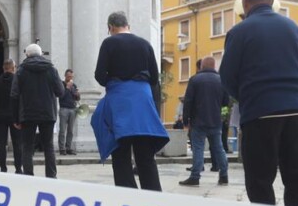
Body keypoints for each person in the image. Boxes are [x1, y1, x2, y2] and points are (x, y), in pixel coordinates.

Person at [219, 0, 298, 206]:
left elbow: (228, 75)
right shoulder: (295, 29)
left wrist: (247, 97)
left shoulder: (239, 32)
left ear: (244, 2)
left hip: (261, 112)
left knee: (260, 180)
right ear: (272, 1)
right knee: (297, 179)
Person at [91, 11, 168, 191]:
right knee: (146, 156)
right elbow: (155, 77)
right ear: (128, 26)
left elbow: (99, 75)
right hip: (143, 101)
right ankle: (154, 195)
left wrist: (114, 81)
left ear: (110, 27)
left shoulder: (109, 43)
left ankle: (128, 195)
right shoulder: (145, 44)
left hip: (120, 102)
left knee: (121, 154)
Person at [11, 44, 65, 178]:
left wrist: (15, 118)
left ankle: (28, 176)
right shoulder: (51, 69)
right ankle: (51, 177)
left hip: (28, 113)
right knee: (48, 146)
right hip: (48, 113)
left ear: (27, 55)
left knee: (27, 146)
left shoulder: (21, 70)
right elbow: (60, 91)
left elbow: (14, 94)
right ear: (41, 54)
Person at [179, 56, 230, 187]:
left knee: (198, 149)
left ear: (201, 66)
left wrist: (186, 120)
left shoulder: (195, 79)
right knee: (219, 148)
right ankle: (224, 175)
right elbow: (226, 102)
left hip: (198, 121)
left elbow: (188, 101)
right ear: (214, 66)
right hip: (215, 120)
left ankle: (195, 176)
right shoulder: (221, 80)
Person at [0, 60, 22, 174]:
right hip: (15, 116)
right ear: (13, 68)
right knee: (17, 143)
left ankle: (3, 168)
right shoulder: (17, 81)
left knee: (1, 143)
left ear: (3, 68)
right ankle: (18, 168)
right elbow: (19, 99)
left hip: (0, 115)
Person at [57, 68, 80, 155]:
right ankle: (62, 149)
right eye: (69, 76)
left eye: (71, 76)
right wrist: (67, 88)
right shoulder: (61, 84)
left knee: (70, 130)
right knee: (62, 130)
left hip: (73, 109)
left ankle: (68, 147)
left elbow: (77, 98)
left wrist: (77, 94)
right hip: (64, 109)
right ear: (65, 76)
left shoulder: (74, 86)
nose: (70, 78)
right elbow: (61, 96)